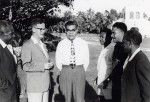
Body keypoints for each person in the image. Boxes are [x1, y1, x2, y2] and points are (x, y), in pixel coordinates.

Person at [55, 20, 89, 102]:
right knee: (66, 97)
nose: (71, 33)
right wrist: (64, 70)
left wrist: (80, 70)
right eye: (68, 30)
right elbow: (58, 60)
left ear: (77, 30)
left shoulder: (83, 43)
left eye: (73, 30)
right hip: (65, 70)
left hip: (79, 70)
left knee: (79, 98)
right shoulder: (61, 44)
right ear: (65, 31)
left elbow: (86, 59)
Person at [21, 18, 53, 102]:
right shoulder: (27, 45)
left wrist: (49, 64)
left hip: (45, 85)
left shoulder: (43, 45)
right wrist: (44, 66)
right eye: (40, 29)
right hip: (35, 87)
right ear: (33, 29)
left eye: (44, 29)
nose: (43, 31)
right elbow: (25, 66)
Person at [122, 29, 150, 102]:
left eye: (124, 43)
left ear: (130, 43)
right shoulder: (131, 57)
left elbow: (147, 92)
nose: (123, 45)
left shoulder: (141, 61)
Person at [0, 20, 18, 102]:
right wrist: (4, 85)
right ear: (2, 35)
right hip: (3, 94)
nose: (13, 36)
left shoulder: (8, 46)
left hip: (12, 91)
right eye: (11, 34)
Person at [110, 22, 128, 102]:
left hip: (123, 85)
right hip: (116, 83)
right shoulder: (117, 46)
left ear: (122, 33)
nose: (111, 35)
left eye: (114, 33)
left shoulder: (126, 48)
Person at [97, 28, 115, 100]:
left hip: (107, 84)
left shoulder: (111, 49)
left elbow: (114, 68)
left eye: (102, 37)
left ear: (109, 38)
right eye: (100, 36)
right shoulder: (104, 48)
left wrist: (107, 80)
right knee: (101, 98)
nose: (100, 39)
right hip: (101, 81)